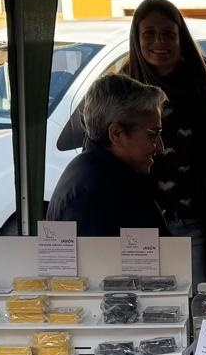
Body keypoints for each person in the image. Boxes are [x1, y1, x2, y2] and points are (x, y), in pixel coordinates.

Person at [58, 0, 206, 283]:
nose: (159, 41)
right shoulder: (120, 90)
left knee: (204, 306)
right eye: (149, 33)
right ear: (136, 38)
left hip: (203, 222)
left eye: (167, 33)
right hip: (142, 224)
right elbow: (101, 151)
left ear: (181, 36)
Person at [45, 73, 168, 236]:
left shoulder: (98, 175)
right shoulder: (95, 196)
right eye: (153, 134)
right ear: (116, 134)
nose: (160, 147)